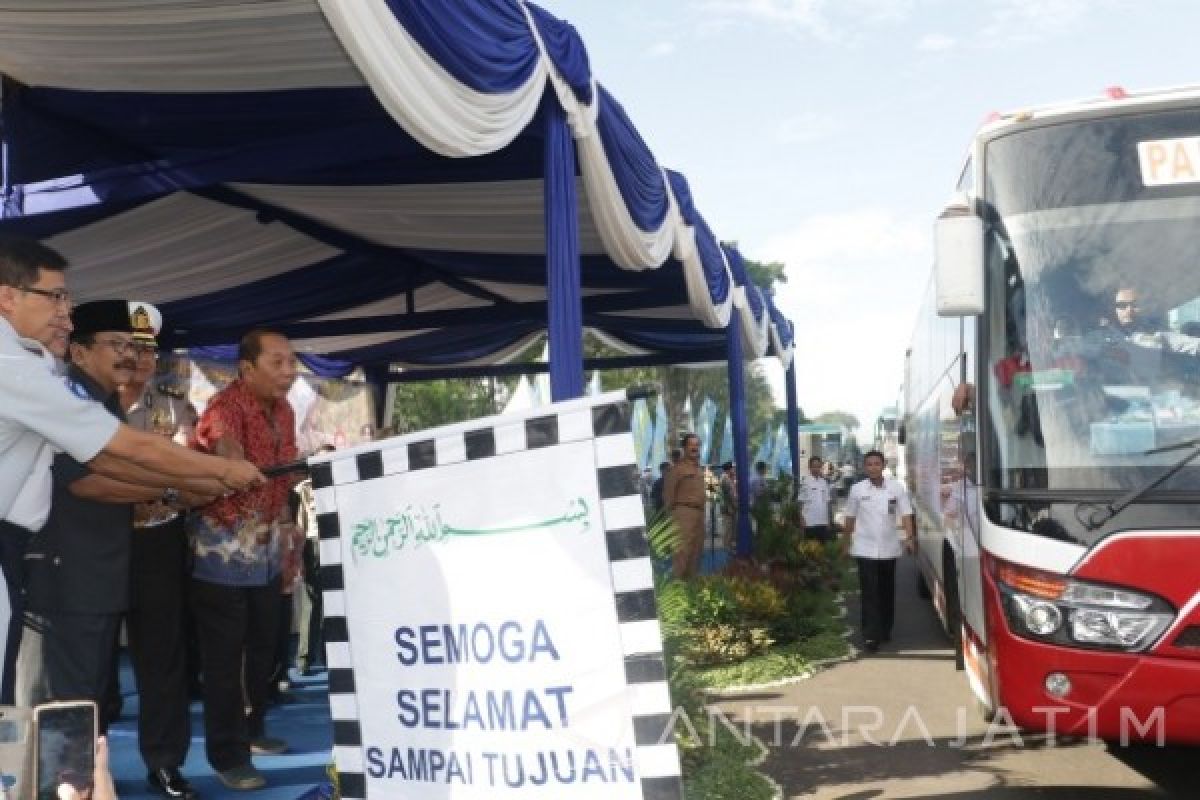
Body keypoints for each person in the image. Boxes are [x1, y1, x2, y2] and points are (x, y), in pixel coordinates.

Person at [0, 236, 264, 703]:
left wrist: (195, 480)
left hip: (52, 558)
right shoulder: (15, 367)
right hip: (61, 567)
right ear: (8, 296)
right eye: (55, 296)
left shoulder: (29, 365)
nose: (65, 311)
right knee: (61, 701)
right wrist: (217, 474)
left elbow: (107, 454)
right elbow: (110, 456)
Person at [19, 301, 224, 731]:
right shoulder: (70, 397)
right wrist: (180, 485)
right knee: (66, 705)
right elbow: (85, 481)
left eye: (134, 345)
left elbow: (121, 469)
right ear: (78, 351)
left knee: (86, 699)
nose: (130, 355)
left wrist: (179, 487)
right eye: (116, 344)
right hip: (70, 575)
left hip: (100, 570)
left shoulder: (103, 400)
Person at [187, 329, 299, 791]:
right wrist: (233, 462)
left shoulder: (286, 410)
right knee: (224, 658)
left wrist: (289, 537)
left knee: (263, 644)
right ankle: (227, 754)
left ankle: (252, 731)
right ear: (247, 368)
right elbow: (226, 452)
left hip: (269, 546)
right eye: (278, 362)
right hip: (223, 551)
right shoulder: (222, 409)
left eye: (292, 362)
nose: (289, 371)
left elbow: (287, 476)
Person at [118, 302, 201, 800]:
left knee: (162, 659)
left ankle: (166, 762)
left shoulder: (171, 405)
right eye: (129, 346)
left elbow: (188, 468)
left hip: (157, 540)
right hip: (96, 541)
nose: (141, 357)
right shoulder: (83, 402)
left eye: (149, 348)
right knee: (87, 663)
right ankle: (74, 769)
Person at [841, 450, 915, 653]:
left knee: (886, 591)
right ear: (864, 467)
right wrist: (845, 544)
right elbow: (849, 518)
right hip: (865, 549)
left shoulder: (896, 488)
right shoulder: (857, 490)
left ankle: (885, 628)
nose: (873, 467)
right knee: (869, 593)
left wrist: (910, 538)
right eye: (869, 464)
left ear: (883, 466)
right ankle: (870, 636)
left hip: (889, 548)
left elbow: (906, 513)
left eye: (876, 463)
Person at [663, 433, 705, 579]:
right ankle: (677, 593)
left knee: (696, 554)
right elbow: (668, 496)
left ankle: (690, 592)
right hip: (683, 513)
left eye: (697, 445)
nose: (695, 447)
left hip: (699, 514)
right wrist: (672, 520)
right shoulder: (677, 469)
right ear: (684, 448)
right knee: (682, 554)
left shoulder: (700, 469)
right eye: (691, 445)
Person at [799, 456, 834, 543]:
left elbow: (827, 502)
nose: (816, 469)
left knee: (822, 548)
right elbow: (800, 502)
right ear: (810, 467)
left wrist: (829, 520)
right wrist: (801, 519)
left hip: (823, 522)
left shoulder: (824, 482)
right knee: (810, 550)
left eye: (818, 466)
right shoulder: (805, 482)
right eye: (814, 466)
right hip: (809, 522)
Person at [717, 462, 737, 551]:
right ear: (730, 469)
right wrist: (734, 505)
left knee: (730, 527)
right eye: (733, 468)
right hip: (727, 508)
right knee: (728, 527)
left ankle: (728, 545)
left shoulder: (726, 478)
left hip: (728, 507)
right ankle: (726, 547)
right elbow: (730, 495)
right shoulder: (725, 479)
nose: (734, 470)